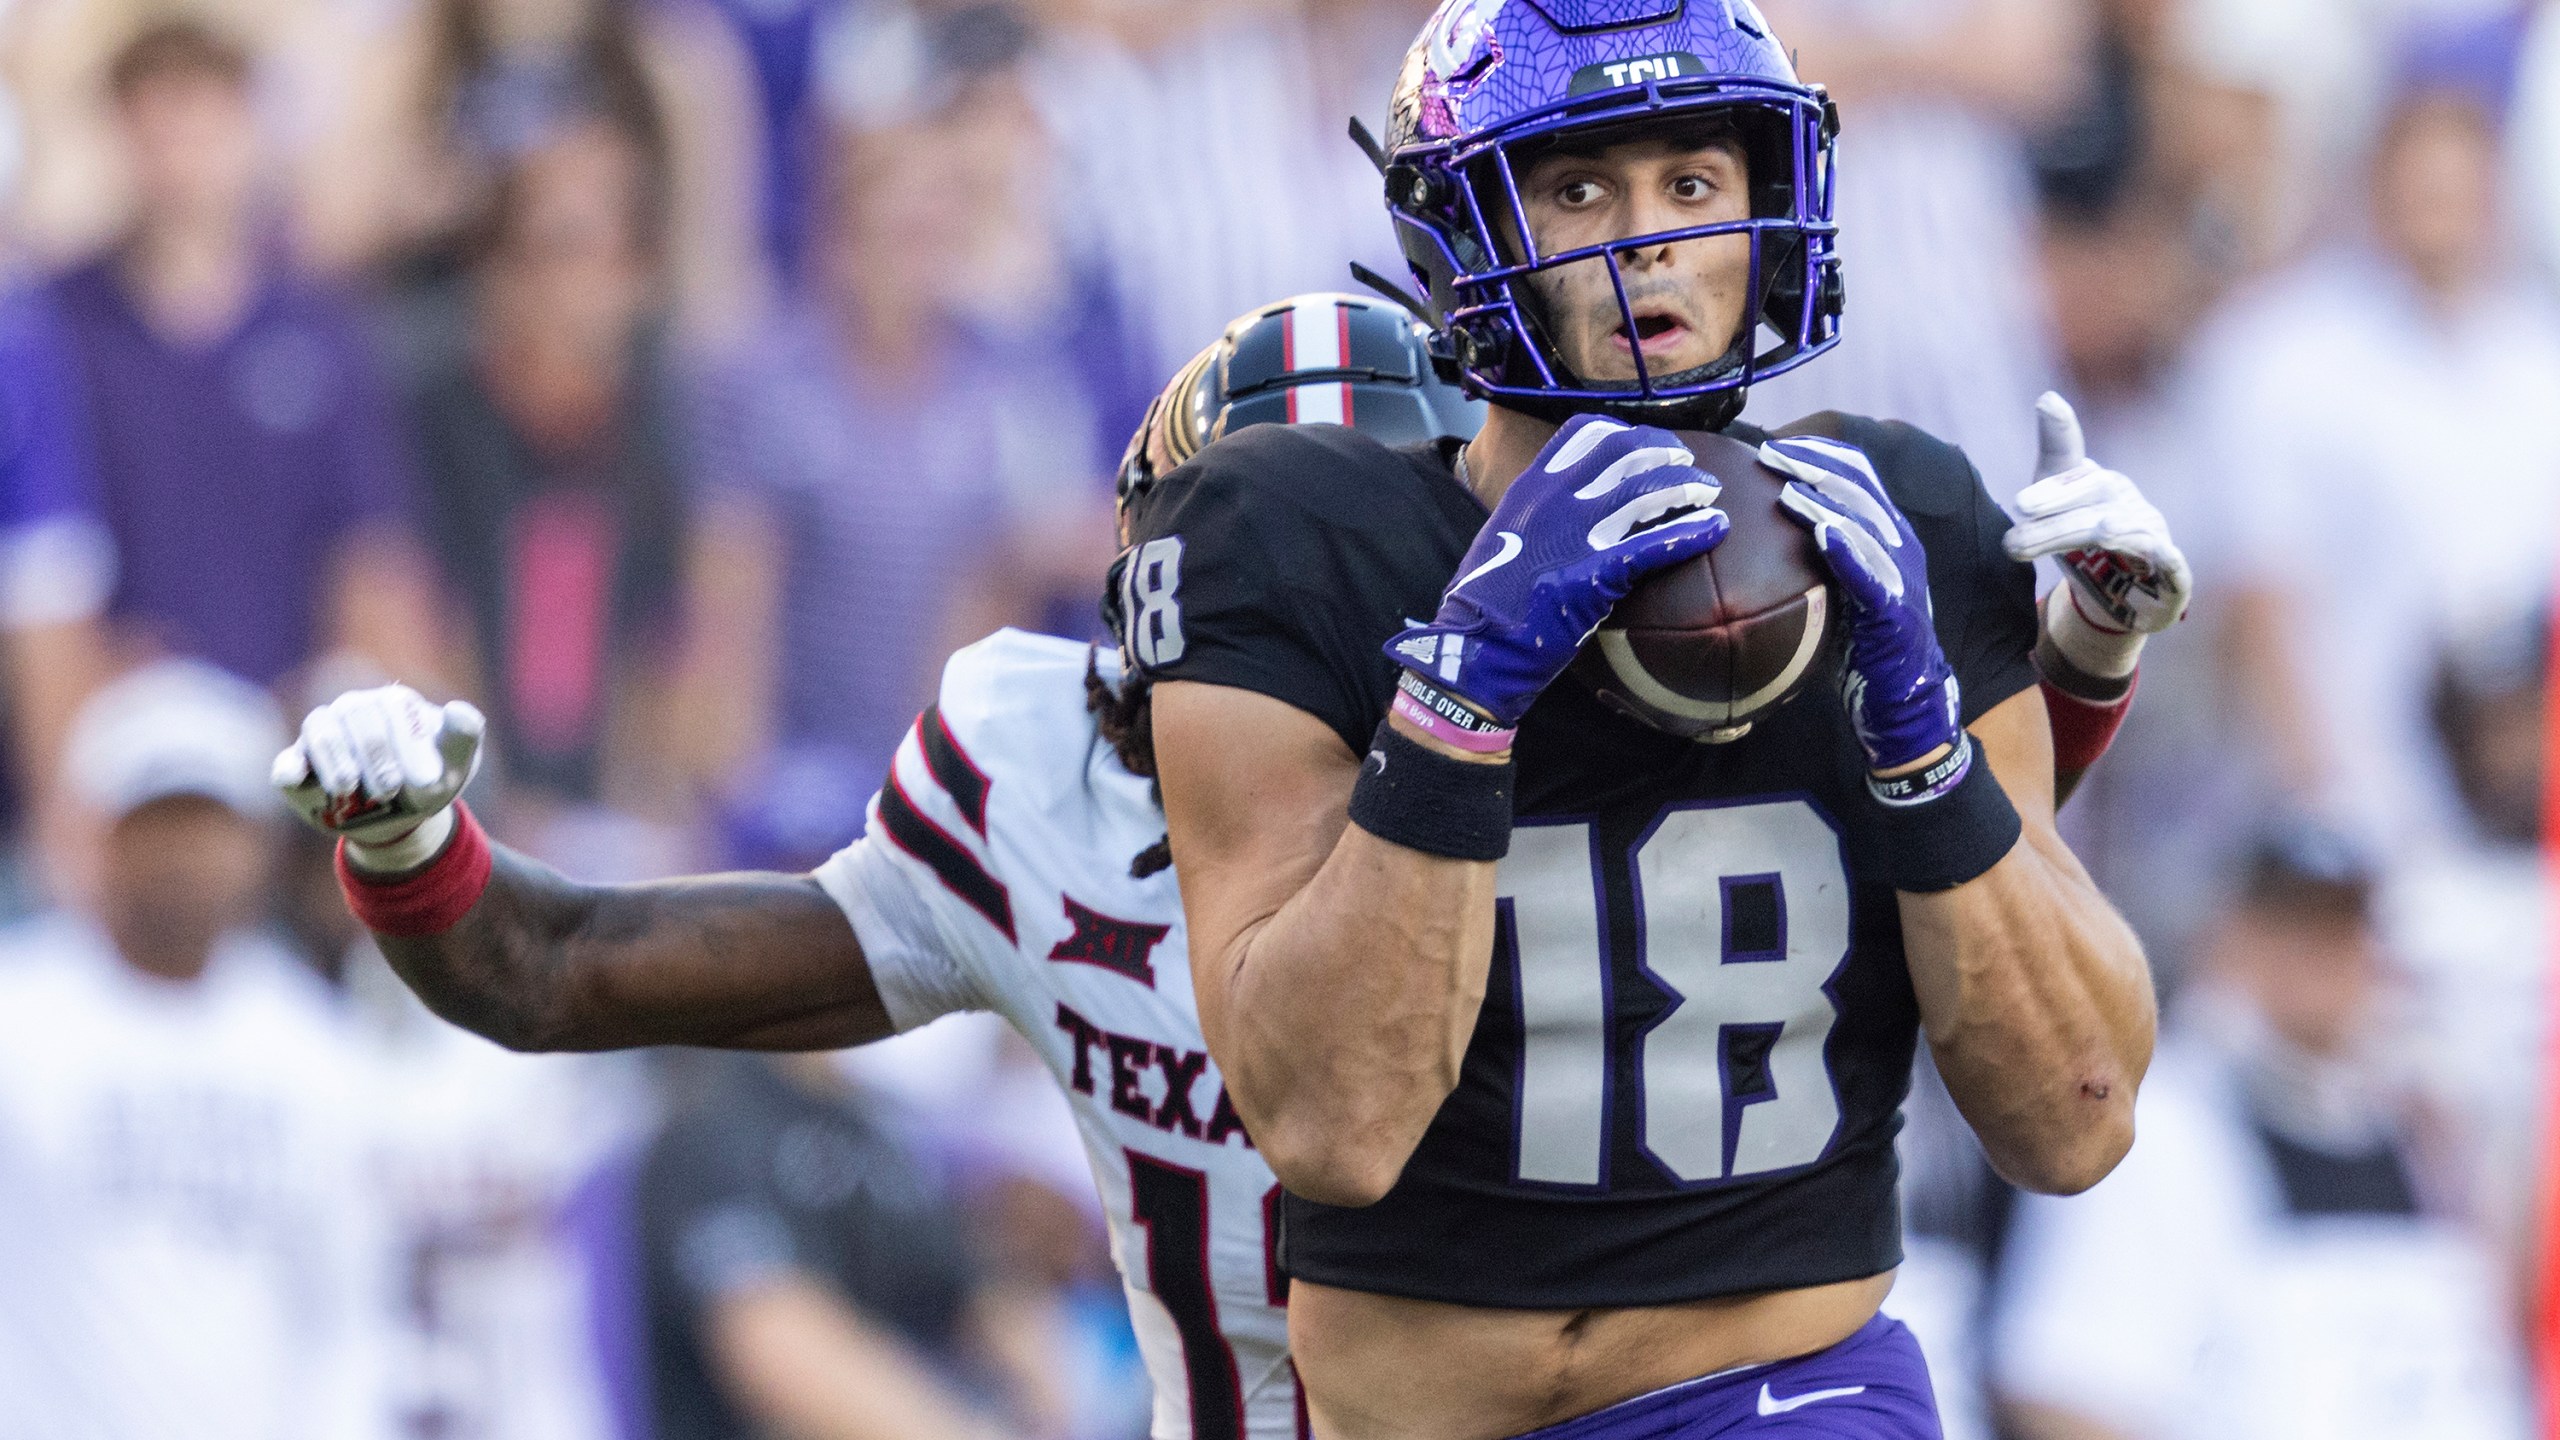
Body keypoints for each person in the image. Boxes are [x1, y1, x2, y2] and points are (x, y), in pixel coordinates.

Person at [274, 268, 2186, 1439]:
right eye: (1230, 538)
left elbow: (1870, 928)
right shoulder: (1036, 773)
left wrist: (2064, 675)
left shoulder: (1597, 717)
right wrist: (419, 852)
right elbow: (560, 970)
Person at [1989, 824, 2533, 1440]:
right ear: (2228, 939)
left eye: (2341, 929)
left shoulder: (2427, 1131)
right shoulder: (2163, 1128)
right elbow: (2069, 1390)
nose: (2319, 961)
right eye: (2289, 930)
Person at [0, 659, 388, 1440]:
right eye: (159, 821)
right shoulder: (19, 1015)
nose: (184, 854)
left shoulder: (314, 1047)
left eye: (209, 823)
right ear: (104, 834)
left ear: (261, 845)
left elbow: (347, 1312)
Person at [41, 18, 443, 701]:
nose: (180, 163)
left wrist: (356, 681)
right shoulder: (56, 330)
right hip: (125, 722)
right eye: (155, 135)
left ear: (248, 131)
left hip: (293, 717)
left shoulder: (320, 331)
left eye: (201, 131)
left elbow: (371, 550)